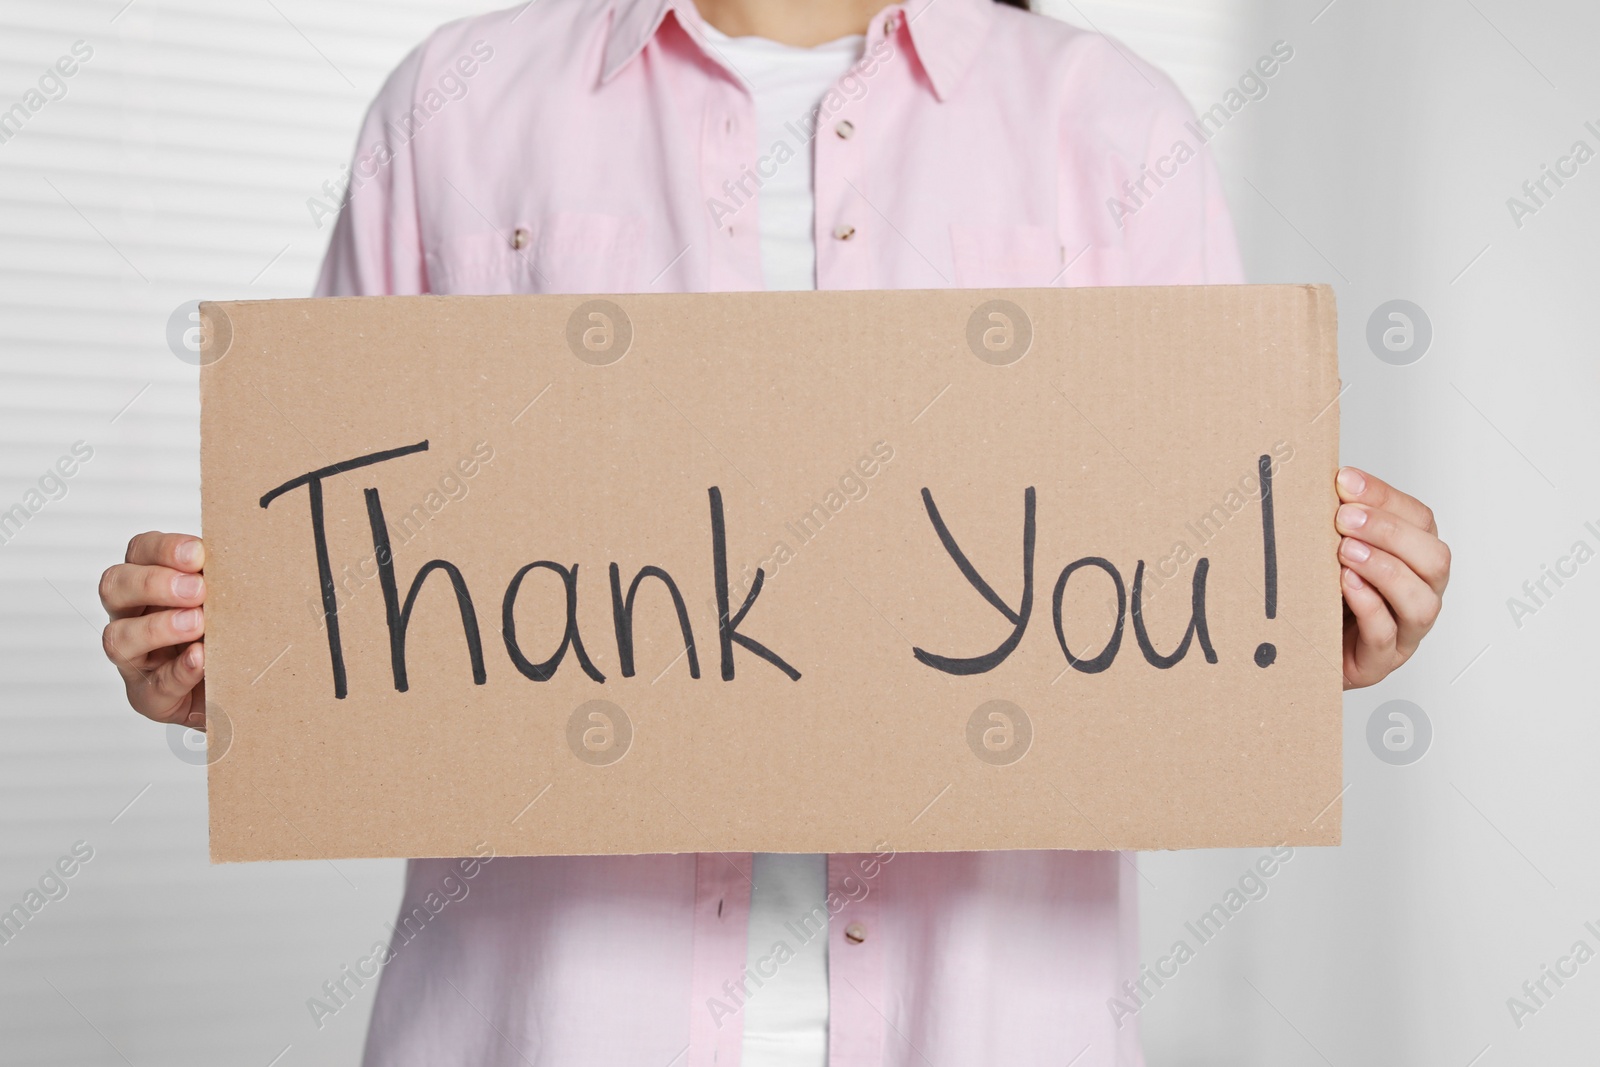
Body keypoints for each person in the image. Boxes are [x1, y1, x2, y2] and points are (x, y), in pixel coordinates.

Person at [96, 0, 1451, 1063]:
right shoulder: (452, 109)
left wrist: (1294, 624)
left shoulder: (1109, 124)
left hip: (996, 1025)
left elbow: (1179, 588)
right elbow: (350, 583)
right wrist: (228, 659)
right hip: (539, 1027)